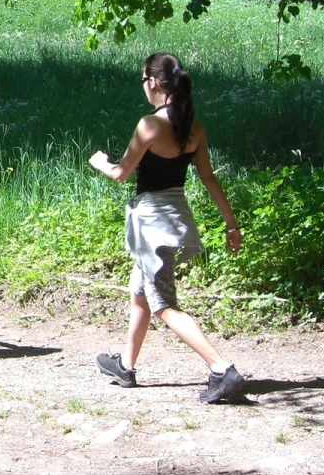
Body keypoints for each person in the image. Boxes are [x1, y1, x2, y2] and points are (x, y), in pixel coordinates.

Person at [88, 52, 247, 404]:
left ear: (154, 83)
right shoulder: (194, 126)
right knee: (140, 292)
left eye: (143, 80)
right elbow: (207, 178)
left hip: (152, 225)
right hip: (176, 217)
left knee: (163, 305)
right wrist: (231, 224)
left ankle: (221, 369)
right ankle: (125, 367)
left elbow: (120, 174)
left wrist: (101, 162)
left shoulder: (150, 125)